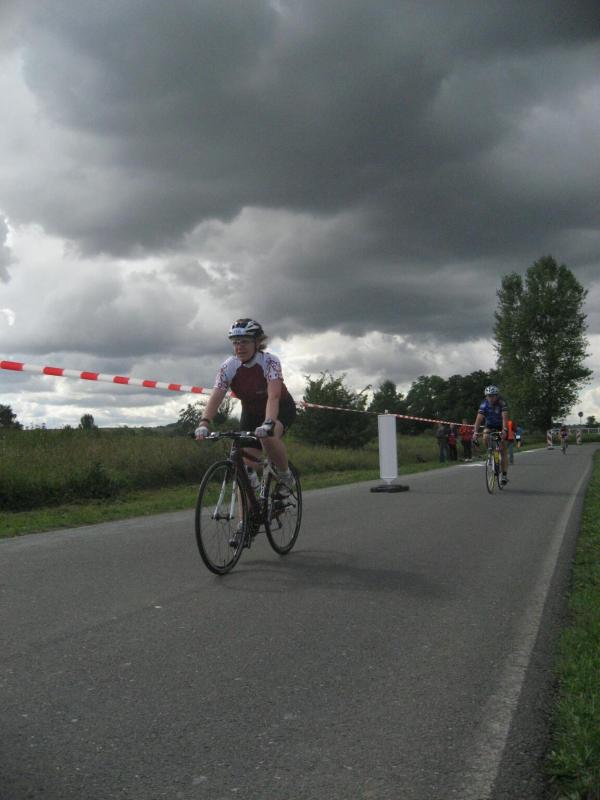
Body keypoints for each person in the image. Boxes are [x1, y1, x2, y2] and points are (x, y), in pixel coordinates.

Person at [195, 319, 297, 541]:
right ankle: (246, 523)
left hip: (279, 409)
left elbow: (274, 396)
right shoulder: (228, 366)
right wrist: (204, 422)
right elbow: (217, 396)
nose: (239, 347)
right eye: (235, 342)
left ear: (257, 342)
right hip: (251, 413)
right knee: (243, 469)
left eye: (244, 341)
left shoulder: (269, 361)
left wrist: (269, 422)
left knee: (268, 437)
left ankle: (285, 476)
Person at [472, 385, 510, 486]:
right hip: (489, 425)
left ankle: (504, 475)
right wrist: (475, 432)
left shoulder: (502, 403)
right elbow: (479, 419)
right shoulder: (484, 404)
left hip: (500, 426)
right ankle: (491, 453)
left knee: (502, 450)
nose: (491, 398)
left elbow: (504, 418)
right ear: (486, 396)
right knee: (485, 437)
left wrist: (504, 430)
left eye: (493, 396)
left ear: (497, 396)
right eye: (489, 396)